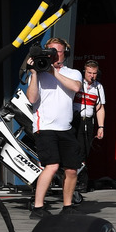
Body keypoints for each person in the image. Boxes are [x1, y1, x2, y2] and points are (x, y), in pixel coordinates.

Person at [25, 37, 82, 218]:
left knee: (72, 169)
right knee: (51, 165)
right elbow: (32, 99)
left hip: (65, 127)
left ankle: (67, 205)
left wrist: (52, 72)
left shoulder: (73, 73)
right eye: (50, 51)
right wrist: (34, 73)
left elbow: (75, 87)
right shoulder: (39, 74)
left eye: (57, 51)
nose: (54, 55)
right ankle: (38, 207)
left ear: (65, 53)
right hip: (45, 127)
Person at [72, 59, 106, 191]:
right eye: (89, 72)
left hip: (88, 121)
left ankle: (82, 181)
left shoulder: (98, 87)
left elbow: (100, 108)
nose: (92, 75)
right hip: (75, 120)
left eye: (94, 73)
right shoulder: (77, 84)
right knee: (75, 149)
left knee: (84, 150)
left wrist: (101, 127)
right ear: (84, 72)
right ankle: (73, 180)